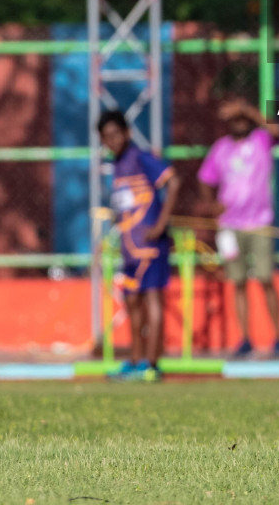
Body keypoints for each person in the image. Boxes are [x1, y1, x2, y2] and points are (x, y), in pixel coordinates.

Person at [198, 96, 279, 357]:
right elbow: (205, 178)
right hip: (230, 227)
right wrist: (211, 205)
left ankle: (278, 338)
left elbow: (276, 130)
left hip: (259, 223)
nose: (238, 122)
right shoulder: (221, 148)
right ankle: (245, 338)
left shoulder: (260, 140)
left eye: (242, 118)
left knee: (266, 278)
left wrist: (247, 107)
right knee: (237, 282)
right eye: (234, 119)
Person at [100, 110, 180, 377]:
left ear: (127, 133)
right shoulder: (117, 167)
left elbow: (173, 181)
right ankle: (135, 362)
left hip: (150, 246)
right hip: (130, 249)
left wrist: (160, 225)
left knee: (152, 298)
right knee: (132, 301)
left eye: (115, 134)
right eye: (105, 137)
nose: (111, 140)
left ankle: (152, 364)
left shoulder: (142, 158)